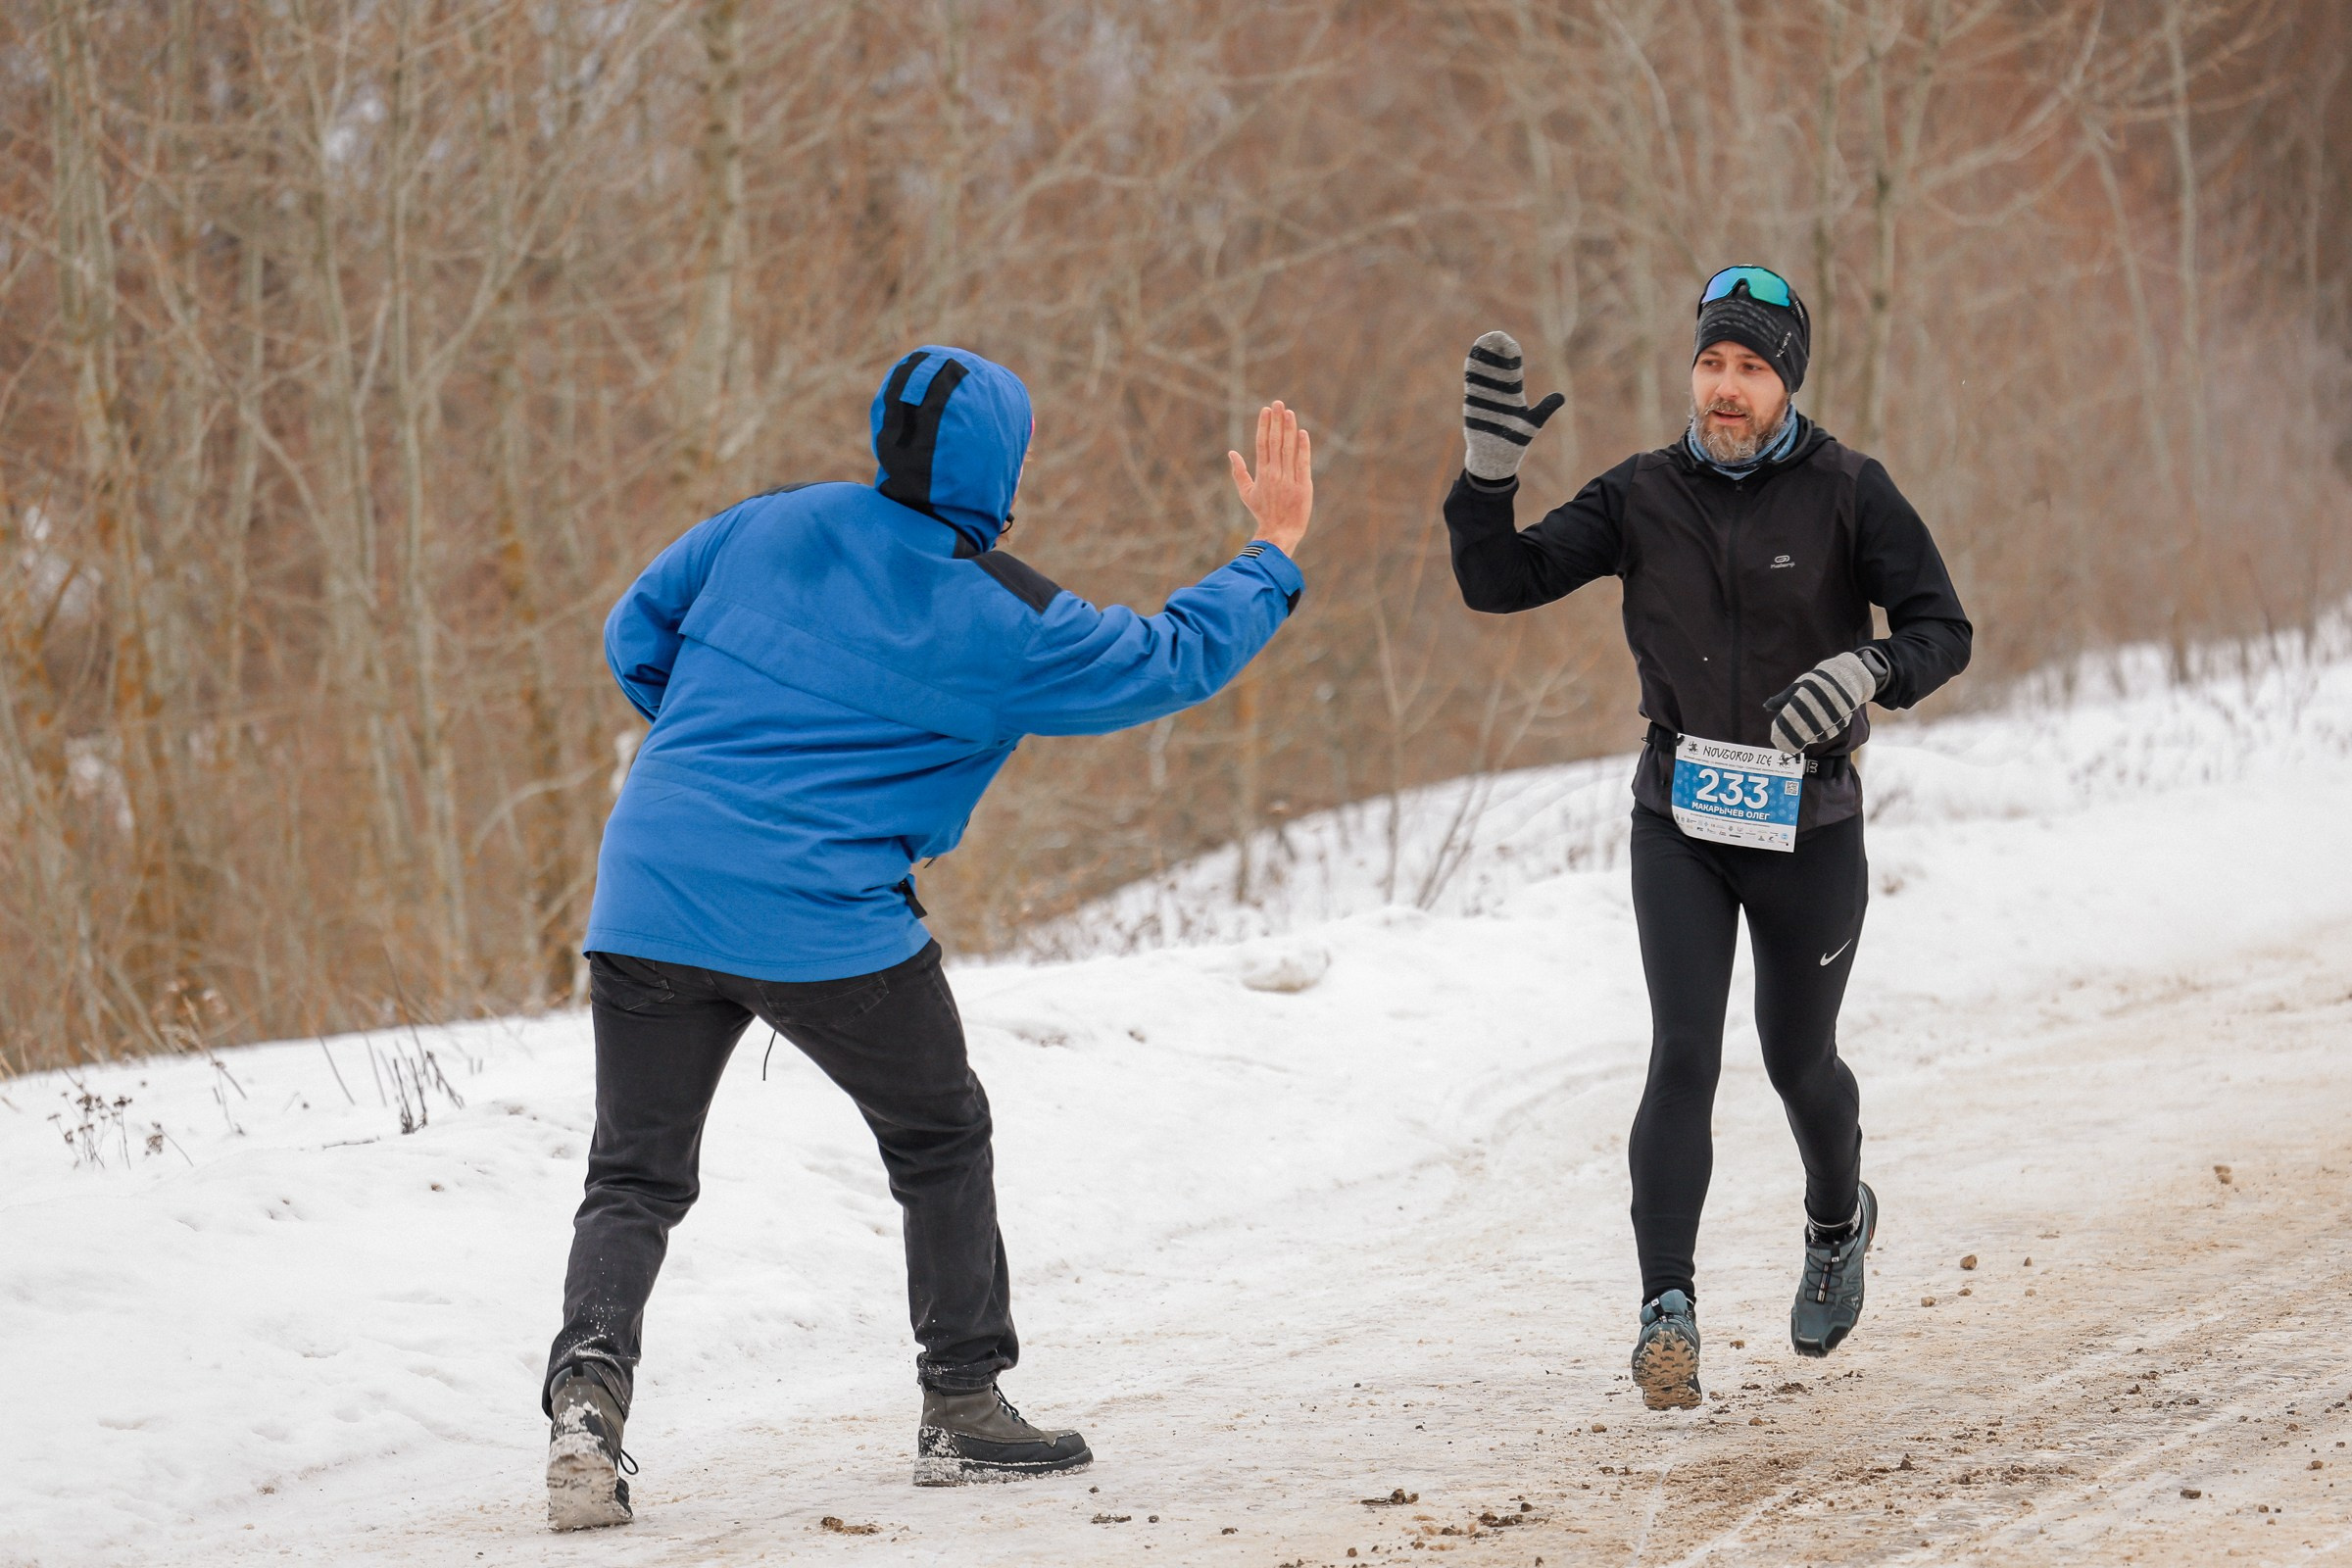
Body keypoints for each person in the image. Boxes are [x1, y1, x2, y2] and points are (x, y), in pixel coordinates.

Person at [544, 345, 1315, 1528]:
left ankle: (586, 1406)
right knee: (940, 1131)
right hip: (823, 917)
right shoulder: (1006, 616)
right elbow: (1171, 657)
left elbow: (632, 635)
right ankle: (961, 1402)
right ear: (999, 467)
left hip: (651, 879)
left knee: (634, 1176)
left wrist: (715, 748)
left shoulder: (770, 521)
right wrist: (1271, 552)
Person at [1442, 268, 1971, 1411]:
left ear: (1788, 383)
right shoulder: (1642, 494)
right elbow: (1500, 579)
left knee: (1798, 1063)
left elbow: (1944, 628)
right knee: (1683, 1050)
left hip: (1810, 824)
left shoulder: (1849, 493)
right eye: (1713, 362)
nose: (1727, 388)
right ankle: (1665, 1311)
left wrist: (1875, 665)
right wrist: (1486, 485)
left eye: (1753, 367)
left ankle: (1840, 1220)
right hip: (1679, 813)